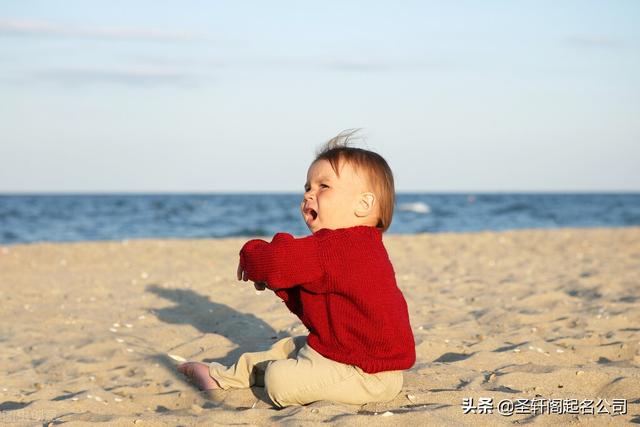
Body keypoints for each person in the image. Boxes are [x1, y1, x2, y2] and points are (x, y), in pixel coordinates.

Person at [178, 129, 415, 407]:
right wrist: (276, 279)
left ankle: (239, 377)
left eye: (323, 187)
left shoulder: (338, 247)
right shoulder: (359, 244)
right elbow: (303, 271)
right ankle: (220, 376)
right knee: (288, 348)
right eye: (307, 187)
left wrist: (250, 254)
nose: (309, 195)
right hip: (344, 351)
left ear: (363, 204)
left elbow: (276, 260)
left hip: (367, 375)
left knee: (280, 380)